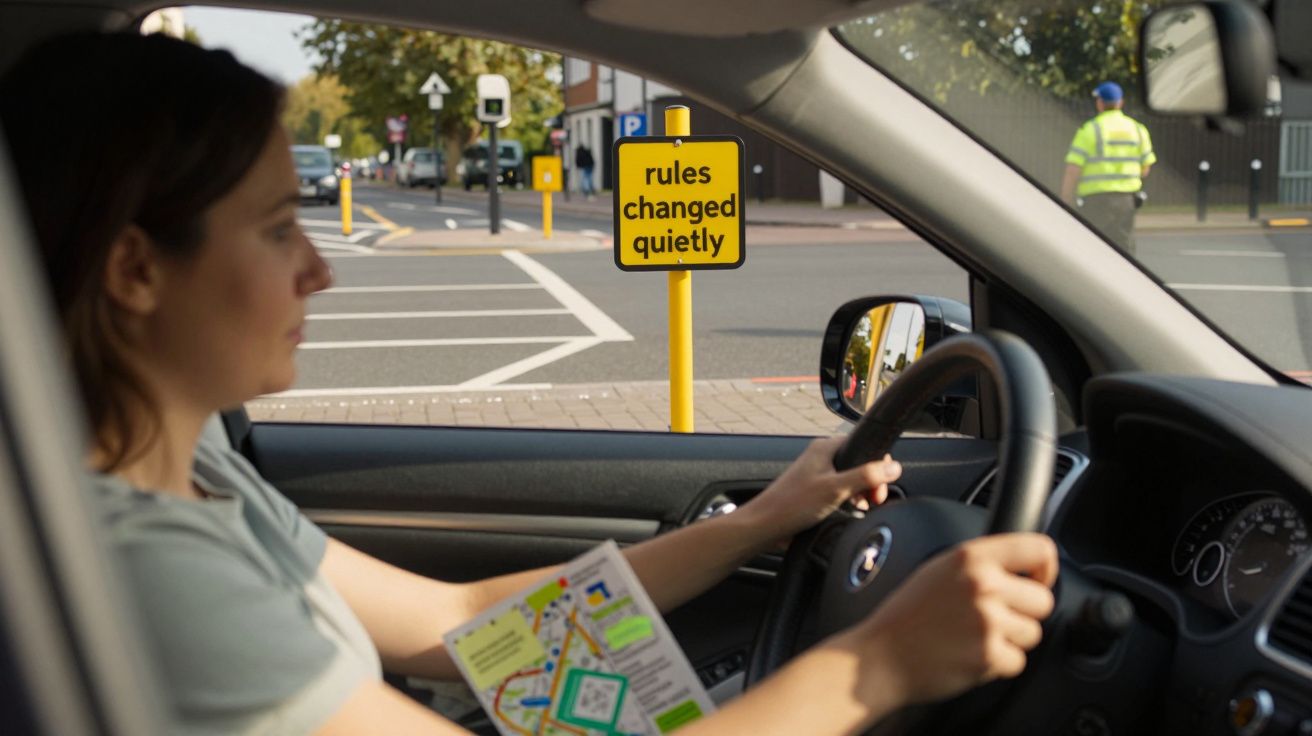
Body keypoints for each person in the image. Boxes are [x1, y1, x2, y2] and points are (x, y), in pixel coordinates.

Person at [0, 32, 1058, 736]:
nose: (317, 267)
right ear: (136, 268)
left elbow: (460, 623)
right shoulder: (136, 568)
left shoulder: (196, 483)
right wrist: (877, 667)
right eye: (279, 229)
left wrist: (768, 516)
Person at [1060, 81, 1156, 254]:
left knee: (1095, 248)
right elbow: (1145, 168)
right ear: (1121, 103)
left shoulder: (1090, 130)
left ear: (1100, 103)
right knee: (1124, 247)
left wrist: (1067, 199)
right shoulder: (1138, 129)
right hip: (1126, 201)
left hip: (1095, 201)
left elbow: (1073, 169)